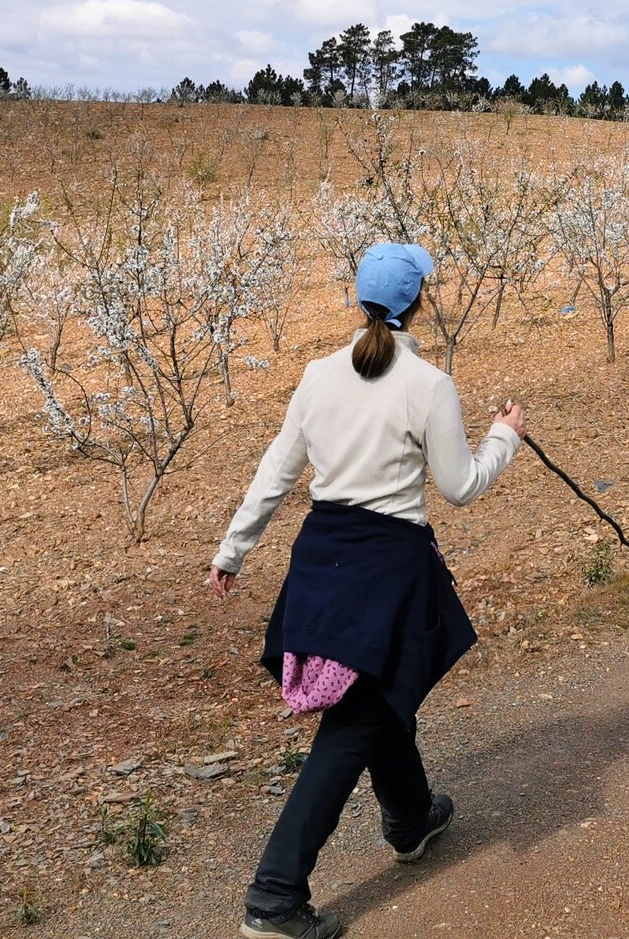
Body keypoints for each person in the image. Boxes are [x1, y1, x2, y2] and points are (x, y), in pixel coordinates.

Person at [208, 241, 525, 939]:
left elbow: (276, 469)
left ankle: (411, 821)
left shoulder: (318, 375)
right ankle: (274, 897)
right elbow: (461, 485)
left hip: (321, 566)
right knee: (355, 722)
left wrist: (232, 551)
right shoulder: (429, 384)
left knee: (377, 700)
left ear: (360, 298)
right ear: (420, 302)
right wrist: (505, 436)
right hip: (389, 575)